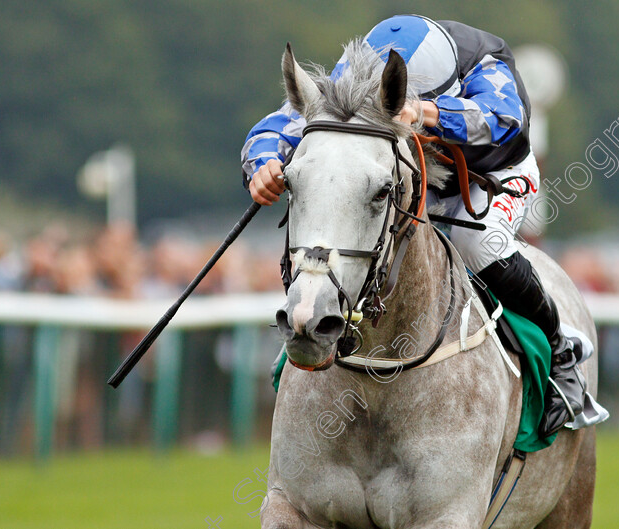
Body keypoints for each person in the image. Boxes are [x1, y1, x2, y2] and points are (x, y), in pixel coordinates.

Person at [241, 15, 584, 437]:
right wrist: (263, 166)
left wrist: (424, 111)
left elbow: (505, 122)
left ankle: (560, 350)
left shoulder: (487, 65)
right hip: (404, 178)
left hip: (489, 175)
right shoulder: (354, 77)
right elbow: (280, 125)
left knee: (478, 246)